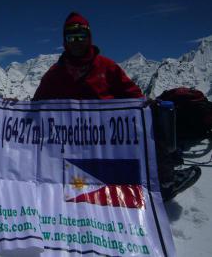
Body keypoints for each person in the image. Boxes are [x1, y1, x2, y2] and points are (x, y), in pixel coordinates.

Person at [33, 12, 200, 201]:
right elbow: (36, 106)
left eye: (81, 36)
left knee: (152, 121)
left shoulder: (107, 67)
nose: (76, 41)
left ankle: (164, 183)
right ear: (65, 41)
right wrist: (11, 108)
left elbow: (132, 94)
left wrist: (144, 105)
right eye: (71, 37)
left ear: (89, 38)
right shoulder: (55, 74)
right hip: (71, 140)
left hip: (109, 135)